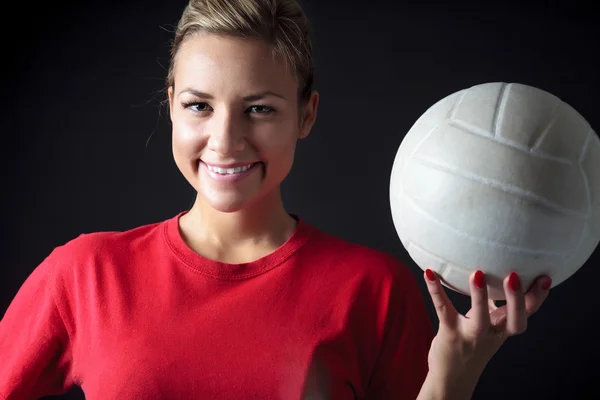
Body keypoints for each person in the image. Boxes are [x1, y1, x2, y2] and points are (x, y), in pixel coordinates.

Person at [0, 0, 552, 399]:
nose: (225, 140)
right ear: (170, 105)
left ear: (306, 114)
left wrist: (452, 382)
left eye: (259, 109)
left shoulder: (374, 292)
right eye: (199, 106)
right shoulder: (87, 274)